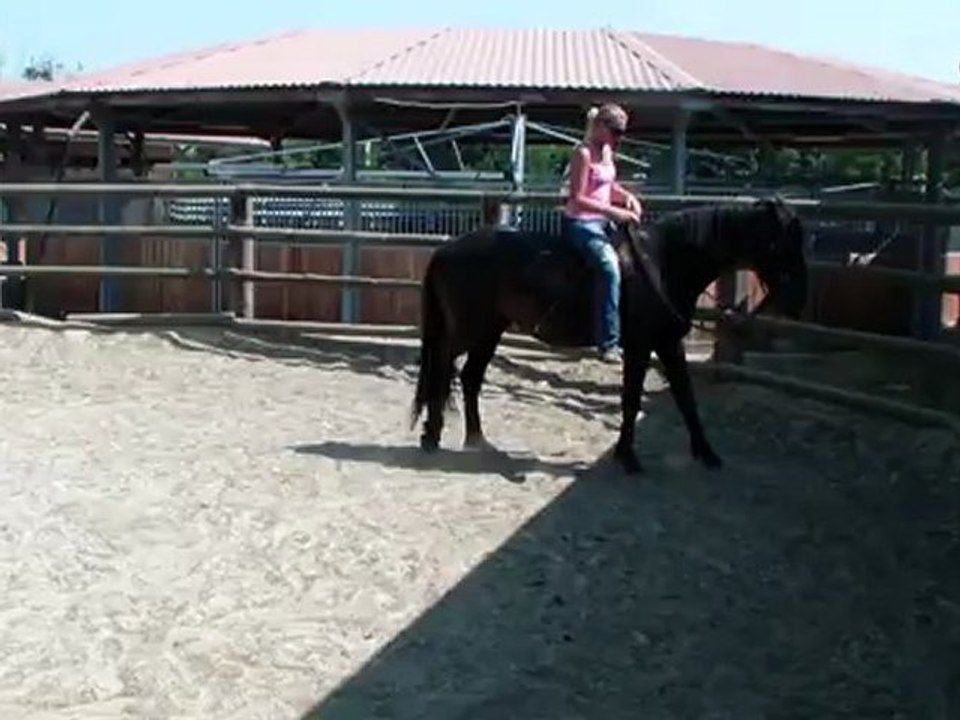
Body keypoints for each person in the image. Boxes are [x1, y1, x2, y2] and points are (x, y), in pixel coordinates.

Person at [561, 103, 642, 363]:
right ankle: (608, 342)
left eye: (622, 133)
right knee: (609, 268)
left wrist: (627, 196)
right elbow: (578, 197)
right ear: (601, 126)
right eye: (616, 131)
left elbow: (607, 185)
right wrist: (614, 213)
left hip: (603, 221)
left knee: (640, 259)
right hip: (581, 223)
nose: (619, 138)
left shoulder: (607, 151)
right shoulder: (583, 154)